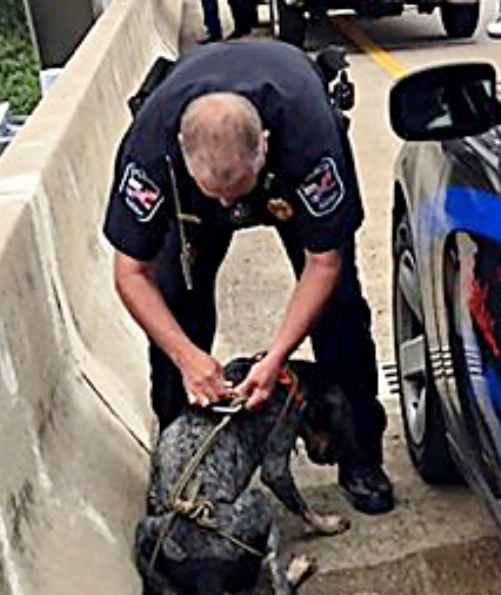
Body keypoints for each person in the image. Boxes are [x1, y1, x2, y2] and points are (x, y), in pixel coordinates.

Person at [103, 41, 394, 514]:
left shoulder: (308, 137)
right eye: (214, 194)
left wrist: (277, 356)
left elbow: (324, 263)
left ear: (263, 144)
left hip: (285, 178)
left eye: (235, 191)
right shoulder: (149, 151)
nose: (228, 208)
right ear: (179, 151)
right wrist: (188, 358)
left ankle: (360, 455)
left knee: (339, 310)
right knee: (178, 305)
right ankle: (182, 466)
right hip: (192, 199)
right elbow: (130, 273)